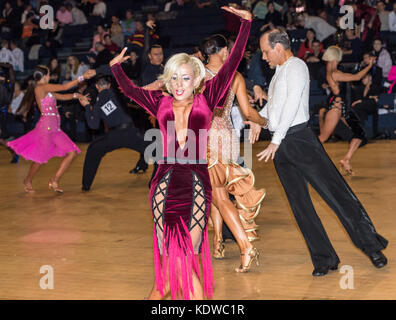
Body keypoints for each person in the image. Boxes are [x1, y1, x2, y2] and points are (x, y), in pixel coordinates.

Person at [110, 6, 251, 300]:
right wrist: (115, 68)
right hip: (164, 183)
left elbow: (232, 61)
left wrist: (245, 25)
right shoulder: (160, 104)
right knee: (174, 263)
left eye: (185, 78)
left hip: (197, 183)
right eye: (173, 78)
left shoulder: (207, 98)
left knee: (187, 258)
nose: (178, 84)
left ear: (196, 80)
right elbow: (131, 92)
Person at [257, 29, 388, 277]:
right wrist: (257, 120)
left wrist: (275, 140)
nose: (264, 57)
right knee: (300, 205)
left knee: (336, 194)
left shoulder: (296, 66)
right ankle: (324, 258)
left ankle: (372, 247)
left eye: (265, 51)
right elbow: (275, 110)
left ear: (277, 47)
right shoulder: (276, 76)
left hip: (300, 140)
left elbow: (294, 103)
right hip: (283, 146)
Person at [201, 34, 266, 271]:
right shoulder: (235, 76)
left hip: (206, 137)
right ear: (221, 51)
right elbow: (248, 113)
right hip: (227, 137)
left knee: (217, 195)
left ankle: (245, 246)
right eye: (227, 50)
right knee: (217, 191)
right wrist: (266, 122)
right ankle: (218, 241)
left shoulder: (196, 75)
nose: (229, 53)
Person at [7, 65, 87, 193]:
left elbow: (63, 96)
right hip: (46, 129)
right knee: (40, 159)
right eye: (49, 74)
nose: (49, 77)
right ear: (44, 76)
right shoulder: (41, 87)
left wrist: (78, 95)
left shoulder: (47, 90)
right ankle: (27, 180)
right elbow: (65, 87)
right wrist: (82, 78)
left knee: (71, 152)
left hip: (55, 129)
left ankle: (54, 180)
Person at [78, 72, 149, 191]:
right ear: (110, 85)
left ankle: (86, 186)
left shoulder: (99, 101)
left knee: (93, 150)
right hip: (131, 132)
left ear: (96, 87)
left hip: (114, 136)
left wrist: (86, 106)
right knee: (158, 153)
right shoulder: (116, 93)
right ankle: (160, 180)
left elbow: (93, 125)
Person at [319, 46, 374, 175]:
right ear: (334, 58)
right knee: (322, 138)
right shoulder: (335, 73)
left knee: (360, 134)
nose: (339, 60)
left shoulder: (332, 71)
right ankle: (302, 157)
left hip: (342, 108)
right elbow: (356, 77)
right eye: (338, 58)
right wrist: (369, 65)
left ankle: (346, 160)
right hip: (336, 108)